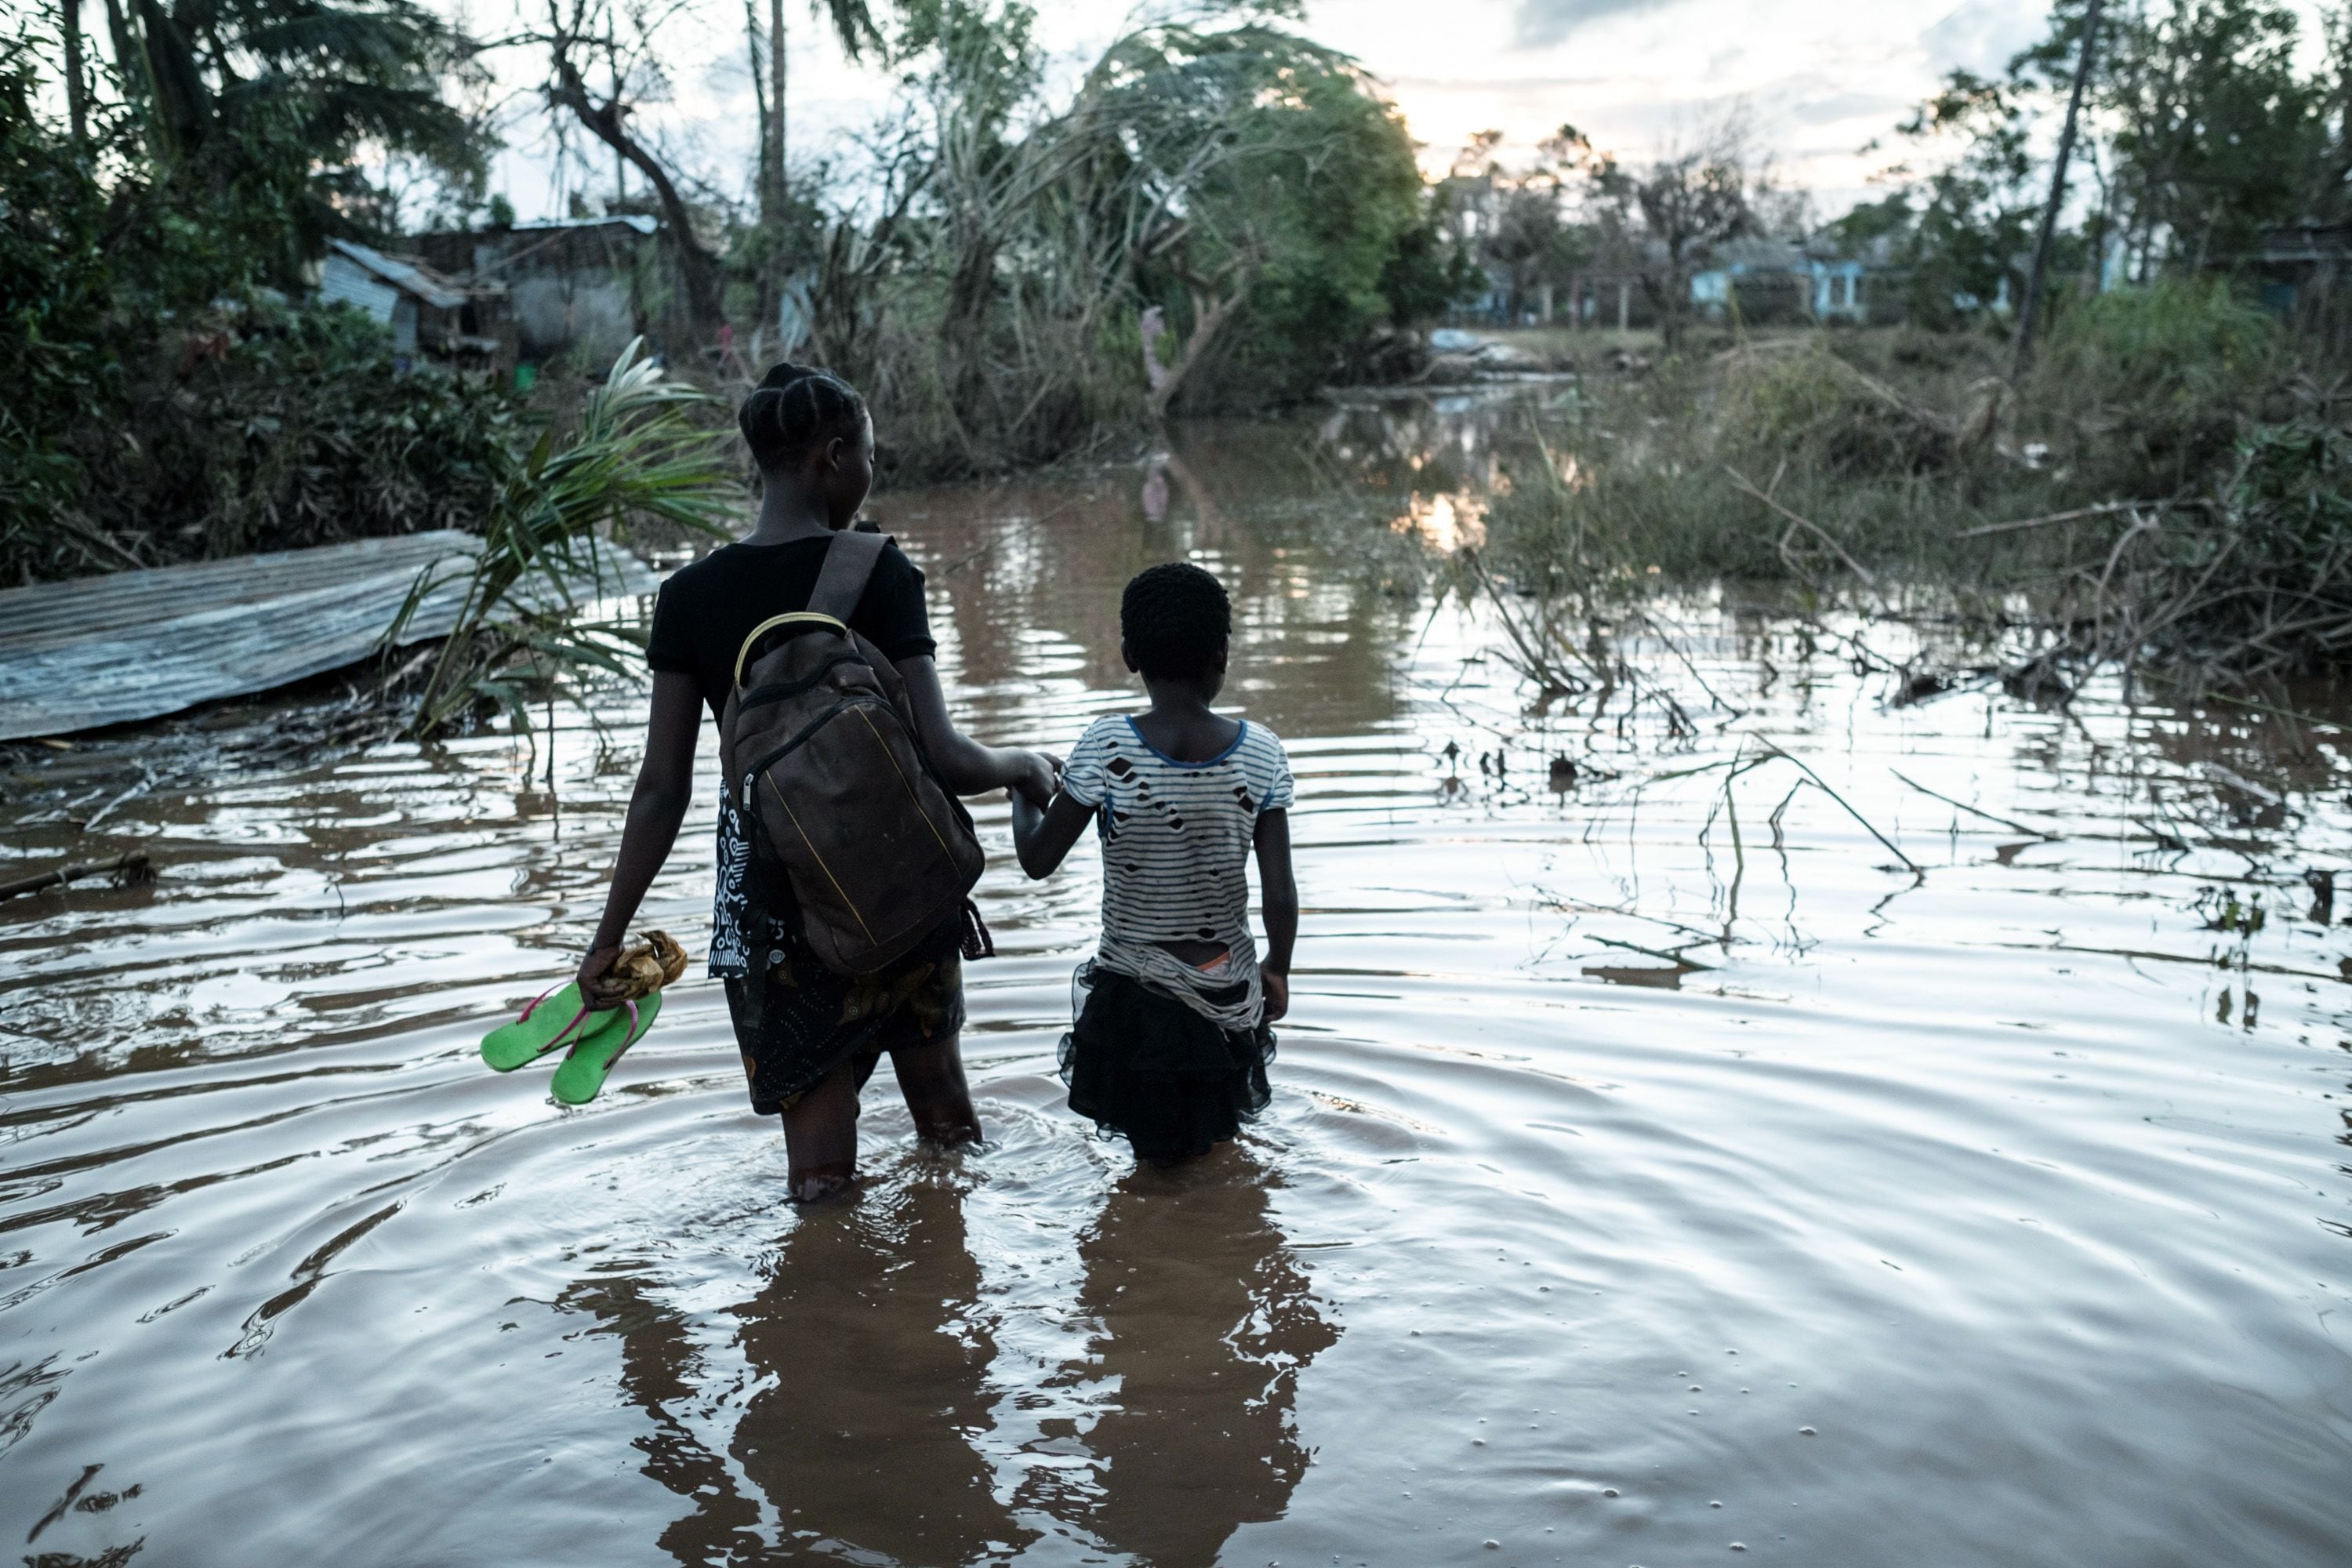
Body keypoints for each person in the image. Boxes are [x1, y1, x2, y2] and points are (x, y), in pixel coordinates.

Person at [575, 362, 1057, 1200]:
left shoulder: (688, 597)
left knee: (821, 1179)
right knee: (948, 1129)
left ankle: (828, 1317)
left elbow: (663, 787)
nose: (873, 470)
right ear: (833, 456)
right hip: (902, 883)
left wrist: (606, 935)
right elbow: (944, 756)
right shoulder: (880, 567)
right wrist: (1023, 764)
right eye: (870, 454)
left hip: (774, 904)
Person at [1009, 561, 1298, 1165]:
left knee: (1154, 1173)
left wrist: (1021, 789)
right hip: (1228, 999)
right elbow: (1280, 892)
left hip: (1134, 1006)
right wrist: (1278, 968)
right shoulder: (1263, 754)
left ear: (1127, 655)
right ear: (1221, 654)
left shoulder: (1106, 747)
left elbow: (1038, 862)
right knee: (1219, 1156)